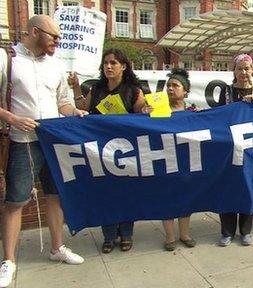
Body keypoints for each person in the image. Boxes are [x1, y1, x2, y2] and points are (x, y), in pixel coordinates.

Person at [0, 15, 88, 288]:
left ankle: (57, 248)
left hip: (53, 141)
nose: (57, 41)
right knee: (15, 200)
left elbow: (63, 102)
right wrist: (12, 118)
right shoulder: (7, 59)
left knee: (55, 195)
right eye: (54, 36)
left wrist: (75, 111)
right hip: (21, 140)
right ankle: (9, 261)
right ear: (35, 32)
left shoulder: (56, 66)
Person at [69, 48, 146, 253]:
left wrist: (149, 110)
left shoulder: (134, 91)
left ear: (124, 66)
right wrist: (76, 88)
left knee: (126, 194)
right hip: (101, 152)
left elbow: (144, 118)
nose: (109, 66)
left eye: (113, 63)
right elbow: (83, 110)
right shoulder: (97, 89)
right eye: (106, 63)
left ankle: (126, 234)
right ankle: (109, 236)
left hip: (126, 153)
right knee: (105, 193)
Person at [142, 68, 197, 251]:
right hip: (163, 160)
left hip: (186, 160)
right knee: (166, 196)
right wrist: (144, 115)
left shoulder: (194, 112)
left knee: (186, 197)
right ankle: (170, 236)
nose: (171, 89)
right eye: (168, 86)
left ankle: (185, 234)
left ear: (185, 91)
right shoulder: (157, 111)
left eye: (175, 85)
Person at [218, 54, 253, 247]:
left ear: (252, 70)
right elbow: (218, 117)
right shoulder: (226, 91)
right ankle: (227, 231)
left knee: (247, 188)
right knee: (227, 188)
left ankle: (246, 230)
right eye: (240, 68)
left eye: (247, 68)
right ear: (234, 71)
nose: (244, 72)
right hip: (228, 148)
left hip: (250, 149)